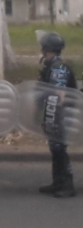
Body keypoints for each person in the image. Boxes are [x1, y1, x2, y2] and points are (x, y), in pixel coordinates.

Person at [36, 31, 76, 197]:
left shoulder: (58, 68)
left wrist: (52, 115)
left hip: (60, 114)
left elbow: (58, 94)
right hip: (53, 114)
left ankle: (67, 184)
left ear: (47, 48)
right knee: (55, 148)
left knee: (60, 149)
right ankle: (58, 181)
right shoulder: (51, 66)